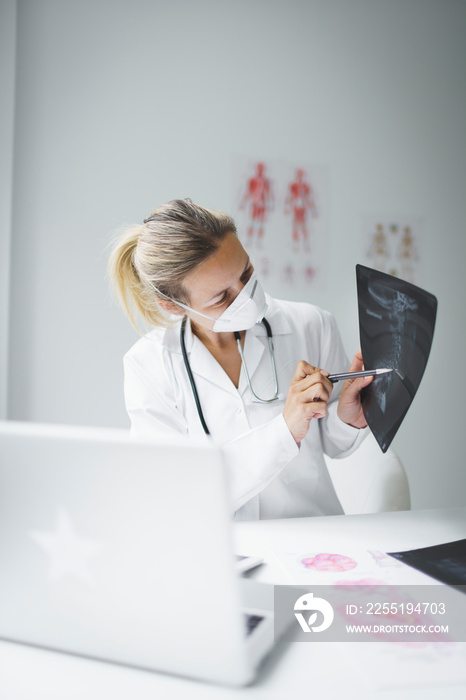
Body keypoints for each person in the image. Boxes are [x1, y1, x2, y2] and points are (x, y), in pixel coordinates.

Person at [108, 198, 371, 520]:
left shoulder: (311, 324)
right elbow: (174, 493)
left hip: (313, 537)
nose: (245, 296)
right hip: (218, 550)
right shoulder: (149, 364)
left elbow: (336, 446)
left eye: (246, 273)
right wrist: (286, 429)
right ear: (173, 306)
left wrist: (348, 417)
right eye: (221, 297)